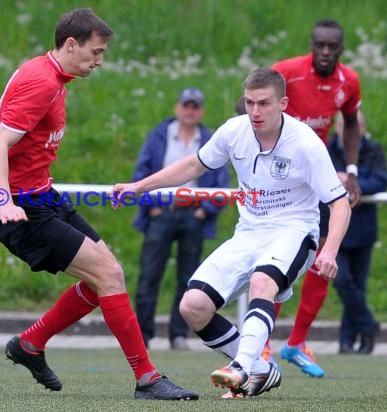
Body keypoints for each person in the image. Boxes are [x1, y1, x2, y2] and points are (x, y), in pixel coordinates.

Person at [0, 8, 198, 401]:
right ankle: (147, 378)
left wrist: (21, 180)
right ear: (71, 44)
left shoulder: (44, 73)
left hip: (40, 196)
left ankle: (30, 344)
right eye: (96, 52)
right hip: (23, 208)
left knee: (104, 278)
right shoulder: (41, 82)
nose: (100, 61)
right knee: (110, 275)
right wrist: (4, 198)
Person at [112, 68, 352, 398]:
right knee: (193, 305)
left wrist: (330, 250)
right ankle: (261, 370)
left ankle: (240, 367)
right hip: (249, 232)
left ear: (283, 103)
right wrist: (140, 186)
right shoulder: (233, 131)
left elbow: (340, 204)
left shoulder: (306, 144)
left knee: (261, 282)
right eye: (250, 103)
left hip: (294, 231)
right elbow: (194, 165)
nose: (255, 111)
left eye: (264, 103)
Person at [268, 18, 363, 377]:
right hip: (278, 180)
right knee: (277, 263)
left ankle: (295, 343)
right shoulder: (285, 72)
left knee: (325, 259)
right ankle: (260, 346)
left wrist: (351, 171)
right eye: (319, 45)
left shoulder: (349, 81)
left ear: (340, 49)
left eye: (332, 47)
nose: (325, 52)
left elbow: (351, 123)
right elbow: (245, 109)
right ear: (311, 44)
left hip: (315, 176)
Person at [132, 88, 230, 351]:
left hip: (193, 215)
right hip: (160, 213)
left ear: (201, 111)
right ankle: (142, 335)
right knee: (149, 276)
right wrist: (150, 206)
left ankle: (178, 334)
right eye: (186, 105)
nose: (190, 110)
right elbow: (141, 171)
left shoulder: (209, 139)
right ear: (178, 107)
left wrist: (204, 211)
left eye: (195, 106)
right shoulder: (159, 136)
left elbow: (222, 183)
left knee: (188, 279)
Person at [330, 111, 387, 354]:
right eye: (342, 125)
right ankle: (367, 325)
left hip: (363, 228)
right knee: (343, 282)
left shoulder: (373, 150)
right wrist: (336, 180)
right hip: (334, 227)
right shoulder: (325, 150)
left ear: (361, 129)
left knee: (358, 286)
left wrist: (353, 184)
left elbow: (381, 181)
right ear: (335, 127)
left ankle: (350, 342)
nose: (346, 130)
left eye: (352, 125)